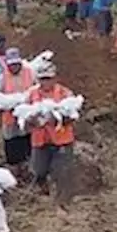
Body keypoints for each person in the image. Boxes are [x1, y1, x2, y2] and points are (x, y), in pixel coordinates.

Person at [24, 65, 77, 209]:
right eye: (42, 79)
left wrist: (58, 120)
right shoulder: (31, 95)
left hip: (61, 141)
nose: (45, 82)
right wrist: (33, 120)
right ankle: (44, 200)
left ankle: (62, 203)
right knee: (38, 171)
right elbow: (23, 116)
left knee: (61, 173)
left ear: (55, 78)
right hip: (40, 141)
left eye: (48, 79)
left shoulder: (65, 94)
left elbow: (74, 116)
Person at [0, 47, 36, 178]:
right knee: (12, 145)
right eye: (11, 65)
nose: (14, 67)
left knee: (29, 143)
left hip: (29, 120)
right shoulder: (1, 79)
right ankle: (15, 172)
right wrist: (4, 104)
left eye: (16, 64)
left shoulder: (30, 74)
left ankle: (29, 171)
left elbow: (38, 90)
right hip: (10, 120)